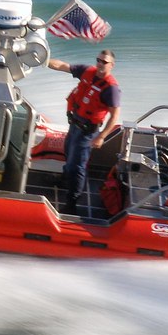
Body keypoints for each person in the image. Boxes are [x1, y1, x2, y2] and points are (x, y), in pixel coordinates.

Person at [47, 50, 121, 214]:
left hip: (87, 132)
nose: (100, 64)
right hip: (74, 125)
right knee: (68, 154)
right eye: (99, 60)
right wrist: (41, 59)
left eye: (105, 62)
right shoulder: (87, 71)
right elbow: (61, 65)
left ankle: (72, 203)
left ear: (112, 65)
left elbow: (114, 116)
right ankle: (65, 180)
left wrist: (101, 136)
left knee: (77, 167)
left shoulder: (111, 89)